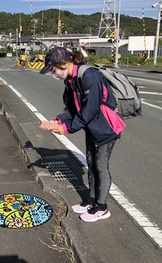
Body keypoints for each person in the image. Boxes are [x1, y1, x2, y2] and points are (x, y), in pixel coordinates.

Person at [39, 47, 126, 223]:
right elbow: (71, 108)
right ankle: (91, 201)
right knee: (91, 163)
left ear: (63, 64)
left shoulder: (90, 77)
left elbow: (89, 110)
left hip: (106, 128)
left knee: (100, 166)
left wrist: (68, 128)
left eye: (54, 70)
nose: (54, 74)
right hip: (92, 127)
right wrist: (58, 120)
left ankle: (102, 207)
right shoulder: (71, 80)